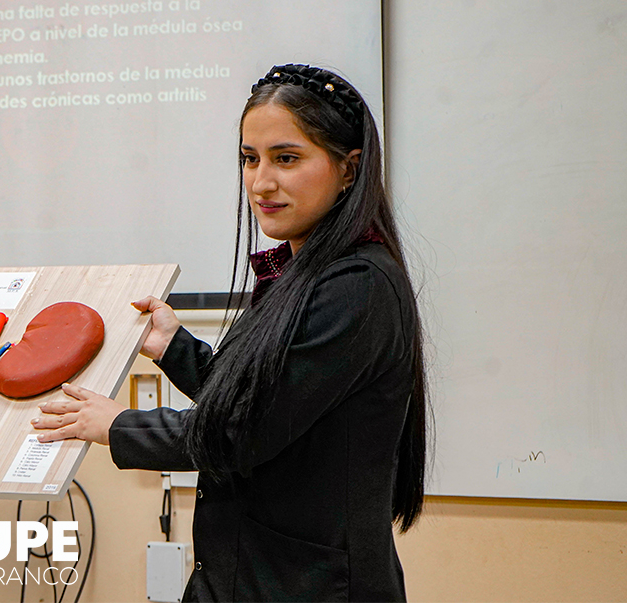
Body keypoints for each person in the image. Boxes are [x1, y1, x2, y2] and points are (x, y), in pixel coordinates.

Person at [34, 64, 429, 601]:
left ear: (348, 169)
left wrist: (118, 426)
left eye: (286, 158)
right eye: (250, 158)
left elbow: (241, 432)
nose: (261, 182)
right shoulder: (304, 269)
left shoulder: (357, 286)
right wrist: (175, 348)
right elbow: (264, 397)